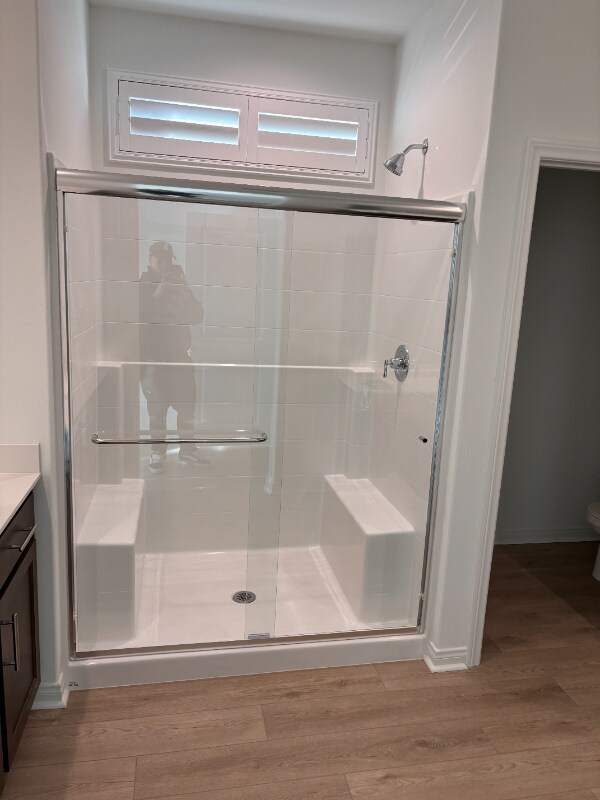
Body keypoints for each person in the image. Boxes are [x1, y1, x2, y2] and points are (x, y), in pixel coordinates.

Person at [139, 240, 204, 473]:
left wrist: (184, 290)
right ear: (150, 259)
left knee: (187, 406)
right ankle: (158, 452)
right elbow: (139, 314)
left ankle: (188, 450)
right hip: (153, 359)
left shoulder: (178, 283)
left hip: (180, 356)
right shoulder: (143, 285)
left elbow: (197, 316)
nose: (165, 263)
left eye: (168, 259)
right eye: (160, 258)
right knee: (157, 409)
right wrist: (161, 290)